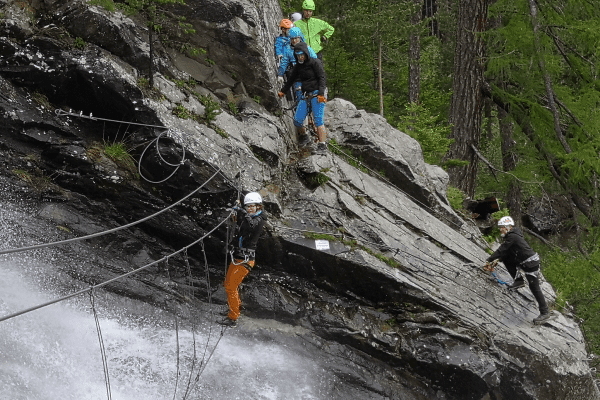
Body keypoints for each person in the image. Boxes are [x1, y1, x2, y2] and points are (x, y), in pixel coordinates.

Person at [485, 216, 551, 324]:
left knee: (534, 287)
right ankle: (519, 281)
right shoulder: (513, 236)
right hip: (525, 262)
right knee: (506, 258)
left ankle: (545, 312)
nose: (500, 229)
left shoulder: (513, 237)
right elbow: (506, 253)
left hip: (530, 264)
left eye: (501, 227)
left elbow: (502, 249)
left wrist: (489, 260)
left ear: (507, 227)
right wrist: (495, 261)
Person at [219, 192, 267, 327]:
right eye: (248, 206)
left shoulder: (260, 219)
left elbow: (251, 225)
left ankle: (233, 318)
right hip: (238, 257)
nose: (250, 208)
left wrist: (241, 211)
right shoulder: (250, 216)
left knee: (231, 288)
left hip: (246, 260)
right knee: (227, 284)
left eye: (252, 206)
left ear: (258, 206)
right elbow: (241, 233)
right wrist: (231, 246)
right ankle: (234, 308)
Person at [278, 41, 328, 154]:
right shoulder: (298, 67)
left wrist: (321, 94)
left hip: (317, 95)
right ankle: (304, 136)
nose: (300, 56)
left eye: (302, 54)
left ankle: (322, 145)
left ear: (306, 53)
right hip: (306, 96)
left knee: (318, 120)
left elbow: (322, 78)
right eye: (298, 55)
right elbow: (291, 80)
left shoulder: (315, 63)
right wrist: (283, 91)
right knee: (297, 120)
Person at [277, 27, 317, 101]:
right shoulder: (288, 49)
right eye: (292, 39)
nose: (294, 41)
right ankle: (300, 106)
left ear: (300, 38)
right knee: (299, 91)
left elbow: (315, 60)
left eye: (296, 39)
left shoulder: (307, 48)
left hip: (308, 73)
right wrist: (280, 74)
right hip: (297, 74)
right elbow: (284, 62)